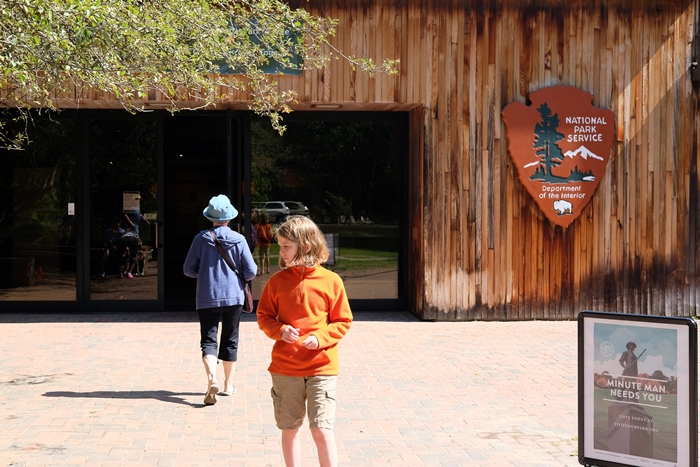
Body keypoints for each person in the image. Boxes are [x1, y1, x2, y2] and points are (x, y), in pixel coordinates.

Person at [257, 216, 352, 467]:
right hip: (286, 369)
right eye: (280, 245)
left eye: (286, 246)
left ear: (306, 246)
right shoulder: (277, 281)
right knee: (290, 430)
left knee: (321, 429)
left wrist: (319, 338)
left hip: (322, 368)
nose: (281, 251)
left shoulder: (332, 281)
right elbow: (264, 316)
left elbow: (343, 321)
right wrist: (280, 330)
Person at [183, 194, 257, 406]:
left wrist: (205, 273)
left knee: (208, 340)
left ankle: (211, 378)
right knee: (230, 339)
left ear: (211, 218)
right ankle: (227, 385)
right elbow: (251, 271)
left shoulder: (200, 239)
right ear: (229, 218)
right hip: (234, 296)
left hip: (207, 296)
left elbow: (188, 269)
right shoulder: (239, 239)